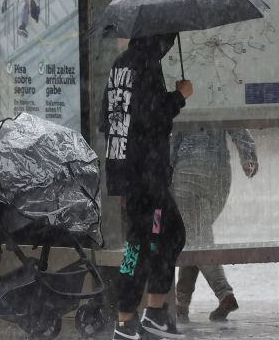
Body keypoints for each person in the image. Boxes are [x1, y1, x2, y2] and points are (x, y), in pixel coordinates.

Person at [100, 34, 193, 340]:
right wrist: (179, 96)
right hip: (146, 174)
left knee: (168, 235)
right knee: (139, 246)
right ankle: (126, 322)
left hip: (127, 170)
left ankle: (153, 313)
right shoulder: (147, 64)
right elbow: (152, 116)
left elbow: (108, 119)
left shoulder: (121, 65)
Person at [172, 129, 259, 323]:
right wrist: (248, 157)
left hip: (187, 171)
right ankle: (181, 303)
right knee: (195, 235)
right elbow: (238, 127)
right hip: (219, 174)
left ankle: (224, 294)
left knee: (196, 236)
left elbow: (174, 138)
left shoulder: (178, 99)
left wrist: (164, 175)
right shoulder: (218, 99)